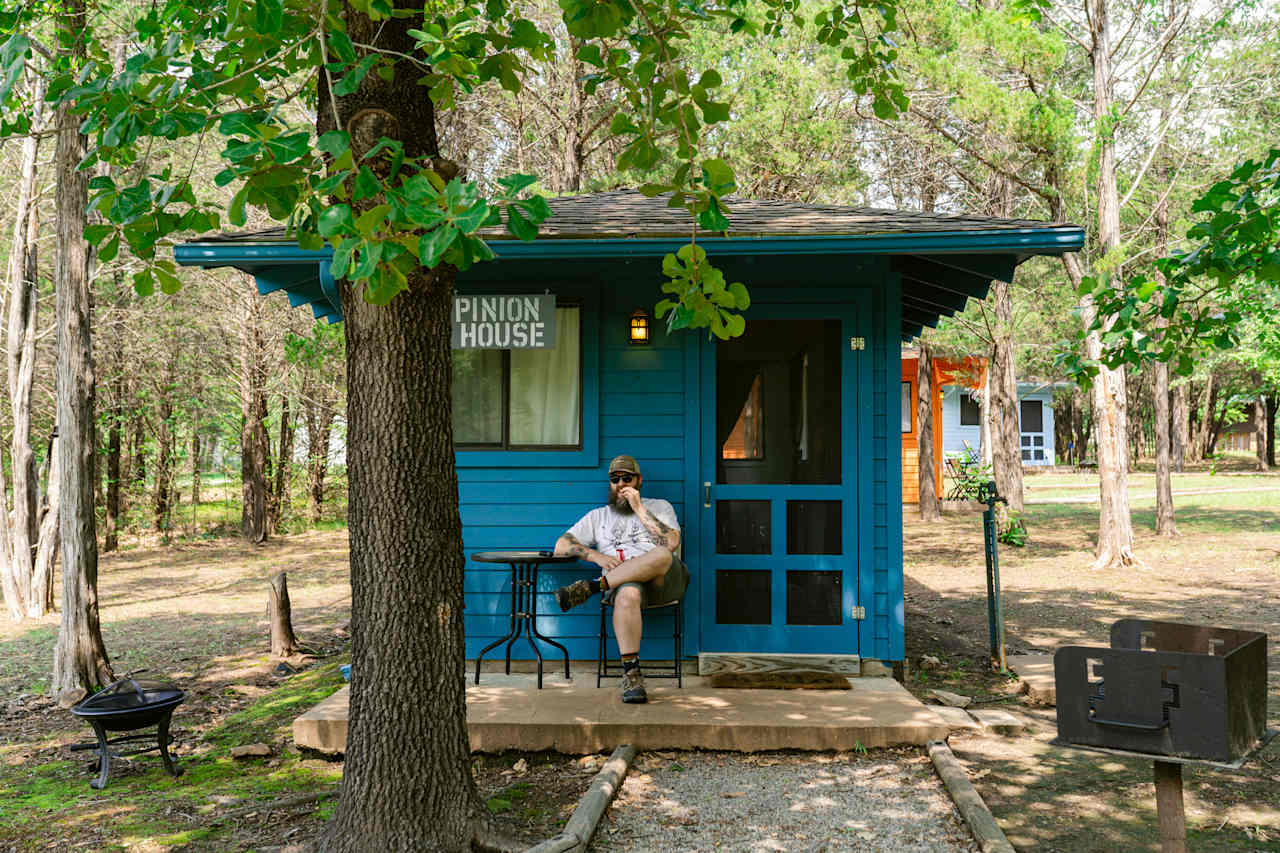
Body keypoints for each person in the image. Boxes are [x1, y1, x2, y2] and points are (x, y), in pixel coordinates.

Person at [552, 455, 688, 703]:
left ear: (639, 480)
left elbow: (671, 542)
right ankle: (632, 675)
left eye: (628, 478)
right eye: (615, 479)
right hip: (625, 584)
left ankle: (591, 588)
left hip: (664, 581)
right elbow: (561, 546)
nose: (621, 484)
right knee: (627, 593)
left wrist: (638, 508)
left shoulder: (659, 506)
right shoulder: (598, 517)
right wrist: (596, 556)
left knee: (661, 554)